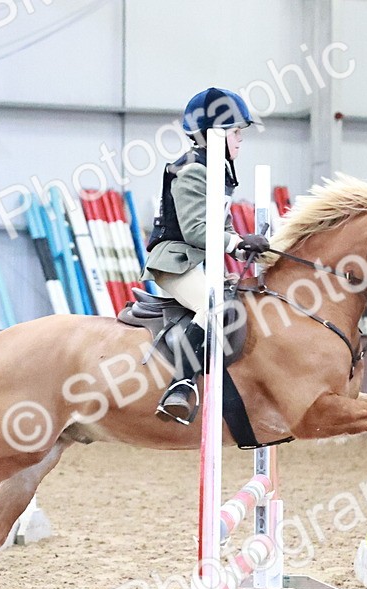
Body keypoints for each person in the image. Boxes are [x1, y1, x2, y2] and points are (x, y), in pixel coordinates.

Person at [144, 87, 270, 423]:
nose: (241, 140)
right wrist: (238, 242)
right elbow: (196, 231)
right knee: (213, 307)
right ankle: (180, 384)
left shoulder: (221, 171)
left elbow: (222, 226)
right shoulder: (190, 169)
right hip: (175, 260)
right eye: (236, 132)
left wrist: (249, 248)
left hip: (198, 260)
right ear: (214, 134)